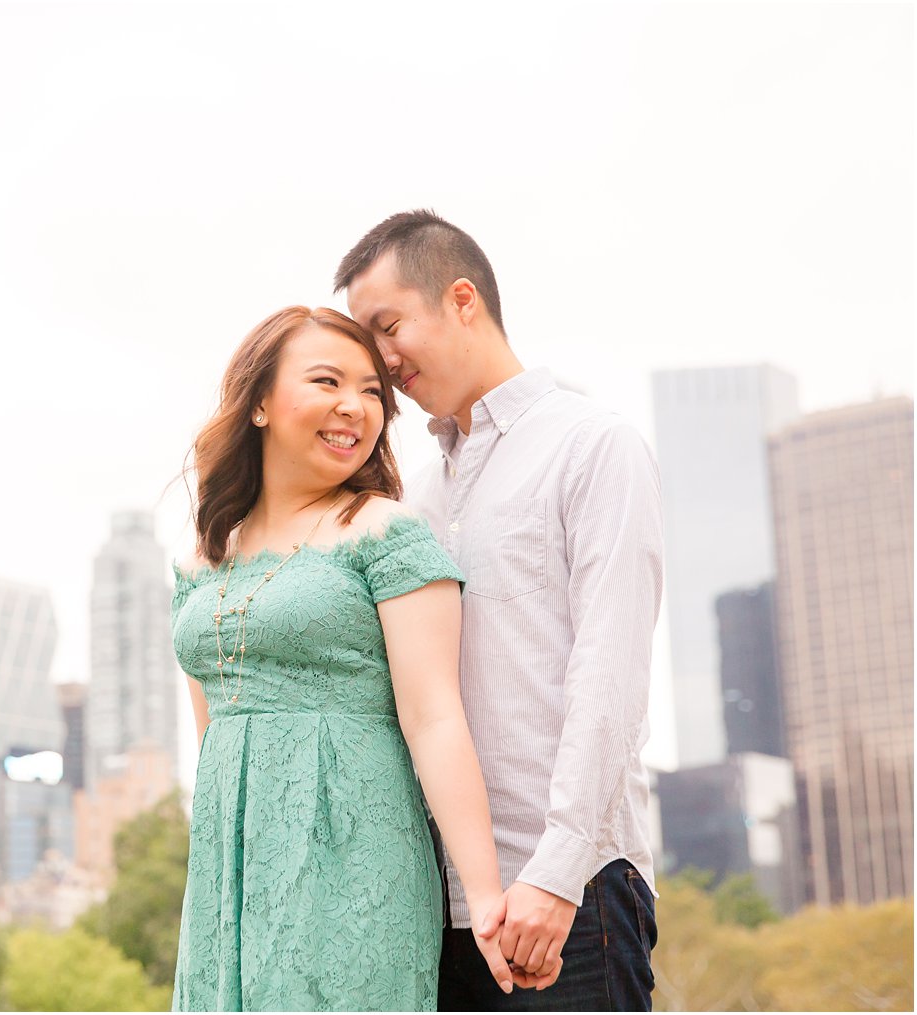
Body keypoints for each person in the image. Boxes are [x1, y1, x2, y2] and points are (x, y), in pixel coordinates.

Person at [335, 210, 663, 1011]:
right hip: (438, 912)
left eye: (388, 326)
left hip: (570, 897)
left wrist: (554, 873)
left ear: (461, 299)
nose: (380, 361)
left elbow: (608, 673)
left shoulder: (592, 445)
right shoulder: (415, 495)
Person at [170, 305, 524, 1011]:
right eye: (328, 381)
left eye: (371, 391)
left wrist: (485, 892)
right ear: (261, 402)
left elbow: (434, 717)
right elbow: (215, 737)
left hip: (352, 861)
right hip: (229, 876)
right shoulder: (203, 558)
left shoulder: (385, 531)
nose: (354, 407)